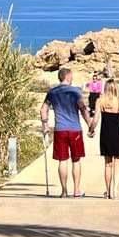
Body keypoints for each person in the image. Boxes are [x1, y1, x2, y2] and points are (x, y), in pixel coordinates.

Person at [41, 65, 92, 197]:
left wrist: (45, 125)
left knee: (62, 160)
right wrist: (90, 125)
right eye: (71, 75)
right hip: (75, 129)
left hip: (60, 130)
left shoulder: (52, 92)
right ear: (68, 76)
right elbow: (83, 108)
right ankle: (76, 190)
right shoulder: (75, 91)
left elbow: (43, 109)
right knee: (76, 160)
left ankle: (64, 191)